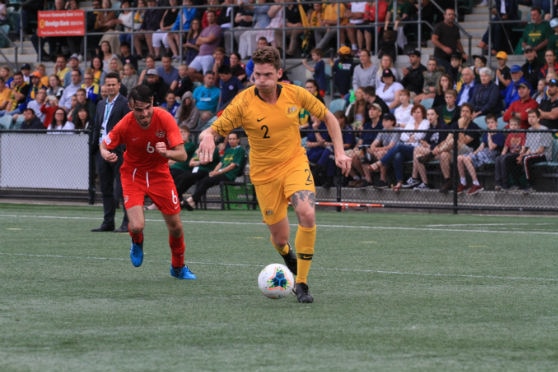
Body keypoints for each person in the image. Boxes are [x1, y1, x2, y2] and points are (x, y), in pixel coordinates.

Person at [196, 46, 352, 303]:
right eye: (257, 75)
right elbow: (213, 128)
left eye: (267, 75)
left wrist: (340, 152)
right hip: (264, 175)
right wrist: (207, 138)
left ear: (279, 73)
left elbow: (328, 117)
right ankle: (287, 253)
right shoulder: (243, 102)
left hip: (294, 163)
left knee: (307, 212)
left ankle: (301, 283)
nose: (262, 80)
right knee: (279, 238)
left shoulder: (295, 93)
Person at [99, 84, 196, 280]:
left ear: (152, 103)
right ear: (130, 106)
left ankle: (178, 267)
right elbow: (104, 143)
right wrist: (105, 153)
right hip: (133, 174)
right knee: (136, 226)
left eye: (147, 108)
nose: (144, 114)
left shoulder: (165, 118)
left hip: (160, 174)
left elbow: (182, 155)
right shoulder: (125, 124)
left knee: (176, 227)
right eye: (138, 109)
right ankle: (136, 242)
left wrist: (166, 152)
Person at [91, 72, 130, 233]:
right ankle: (108, 222)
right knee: (105, 187)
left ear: (119, 85)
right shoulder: (100, 104)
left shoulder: (125, 103)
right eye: (108, 84)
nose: (111, 87)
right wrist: (95, 146)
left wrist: (124, 149)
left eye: (114, 84)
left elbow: (128, 127)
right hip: (102, 150)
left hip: (118, 151)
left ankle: (127, 222)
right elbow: (97, 125)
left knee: (122, 188)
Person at [369, 104, 429, 191]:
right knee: (398, 155)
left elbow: (421, 135)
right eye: (414, 112)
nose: (416, 114)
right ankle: (399, 182)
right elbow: (403, 136)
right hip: (407, 147)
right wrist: (410, 137)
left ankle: (379, 163)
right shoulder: (410, 123)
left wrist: (414, 137)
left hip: (418, 149)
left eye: (418, 112)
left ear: (423, 113)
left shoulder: (425, 122)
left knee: (399, 146)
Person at [184, 131, 246, 208]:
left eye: (233, 139)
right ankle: (193, 202)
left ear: (238, 140)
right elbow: (220, 163)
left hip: (229, 175)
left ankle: (192, 200)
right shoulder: (228, 150)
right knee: (202, 181)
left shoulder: (240, 150)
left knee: (206, 181)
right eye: (230, 139)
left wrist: (217, 173)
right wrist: (214, 172)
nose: (231, 141)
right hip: (221, 173)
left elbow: (232, 166)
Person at [455, 114, 506, 195]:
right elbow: (481, 146)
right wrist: (473, 153)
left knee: (466, 158)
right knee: (459, 158)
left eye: (492, 122)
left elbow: (491, 147)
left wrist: (489, 136)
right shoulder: (486, 134)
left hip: (491, 155)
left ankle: (476, 183)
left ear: (496, 123)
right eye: (488, 123)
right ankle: (463, 182)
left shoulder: (500, 135)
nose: (490, 125)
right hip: (482, 153)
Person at [507, 108, 553, 191]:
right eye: (529, 117)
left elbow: (541, 150)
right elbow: (528, 147)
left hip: (543, 155)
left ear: (538, 119)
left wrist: (526, 155)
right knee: (513, 159)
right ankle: (517, 184)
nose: (530, 119)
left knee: (526, 159)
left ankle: (530, 185)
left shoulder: (544, 130)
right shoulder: (529, 130)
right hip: (531, 154)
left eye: (533, 117)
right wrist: (521, 155)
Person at [402, 108, 449, 190]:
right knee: (418, 155)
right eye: (428, 114)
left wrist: (428, 146)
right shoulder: (430, 127)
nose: (429, 116)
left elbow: (442, 145)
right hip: (430, 152)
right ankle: (425, 183)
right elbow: (426, 142)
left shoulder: (443, 127)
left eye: (432, 114)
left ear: (437, 115)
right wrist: (425, 143)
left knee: (417, 150)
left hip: (440, 152)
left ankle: (414, 178)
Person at [494, 116, 526, 190]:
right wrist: (501, 156)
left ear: (519, 126)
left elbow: (523, 147)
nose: (513, 126)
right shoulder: (510, 135)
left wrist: (521, 155)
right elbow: (505, 148)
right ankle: (498, 183)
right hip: (510, 154)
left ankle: (505, 184)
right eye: (511, 125)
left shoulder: (522, 134)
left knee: (505, 158)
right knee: (498, 158)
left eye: (515, 125)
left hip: (517, 154)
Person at [431, 8, 467, 74]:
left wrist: (462, 52)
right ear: (444, 15)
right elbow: (434, 40)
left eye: (453, 15)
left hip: (452, 57)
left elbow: (458, 42)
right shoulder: (439, 26)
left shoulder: (455, 28)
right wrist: (444, 48)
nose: (451, 16)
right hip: (440, 57)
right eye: (449, 14)